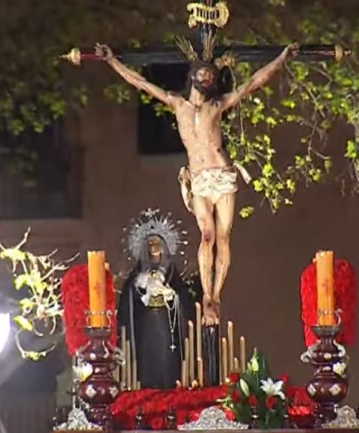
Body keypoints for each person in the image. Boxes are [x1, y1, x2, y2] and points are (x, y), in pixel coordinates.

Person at [95, 41, 299, 325]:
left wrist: (281, 58)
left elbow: (253, 82)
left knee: (224, 236)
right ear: (193, 76)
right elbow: (140, 83)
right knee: (207, 235)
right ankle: (207, 295)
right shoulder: (176, 103)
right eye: (203, 75)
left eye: (211, 78)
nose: (207, 80)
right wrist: (112, 61)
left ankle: (217, 294)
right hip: (199, 178)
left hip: (222, 175)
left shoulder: (217, 105)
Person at [117, 210, 197, 389]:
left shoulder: (172, 277)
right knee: (147, 364)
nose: (154, 247)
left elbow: (185, 303)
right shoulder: (136, 277)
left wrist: (172, 297)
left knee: (167, 363)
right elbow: (127, 306)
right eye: (150, 244)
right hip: (146, 329)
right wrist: (139, 293)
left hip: (167, 329)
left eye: (157, 243)